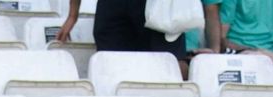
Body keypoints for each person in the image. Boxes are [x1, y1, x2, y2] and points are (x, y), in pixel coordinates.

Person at [57, 0, 200, 76]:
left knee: (170, 66)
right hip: (113, 7)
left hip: (158, 5)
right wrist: (73, 14)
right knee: (110, 68)